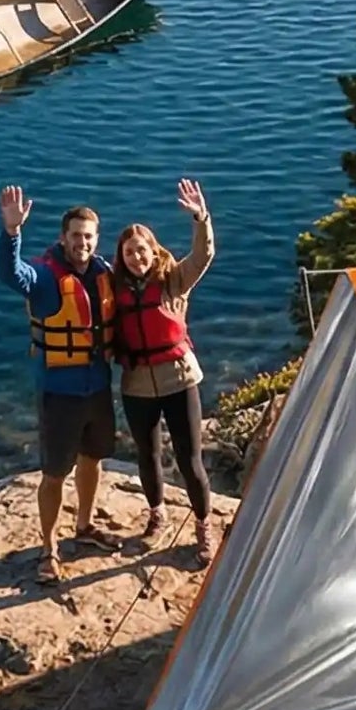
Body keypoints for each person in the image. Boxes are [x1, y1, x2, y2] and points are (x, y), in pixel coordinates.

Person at [0, 185, 126, 583]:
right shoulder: (43, 276)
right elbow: (10, 273)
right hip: (59, 392)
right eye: (75, 236)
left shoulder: (104, 273)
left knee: (93, 458)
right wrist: (11, 232)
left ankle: (84, 527)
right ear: (62, 237)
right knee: (55, 472)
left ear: (96, 239)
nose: (82, 243)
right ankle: (48, 550)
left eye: (88, 236)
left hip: (98, 387)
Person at [112, 179, 218, 562]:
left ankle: (204, 526)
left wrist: (200, 218)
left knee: (190, 460)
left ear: (153, 250)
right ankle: (157, 515)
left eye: (142, 251)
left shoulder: (173, 279)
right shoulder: (114, 287)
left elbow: (202, 255)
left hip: (179, 378)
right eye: (129, 253)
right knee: (147, 455)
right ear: (120, 257)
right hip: (137, 382)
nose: (136, 258)